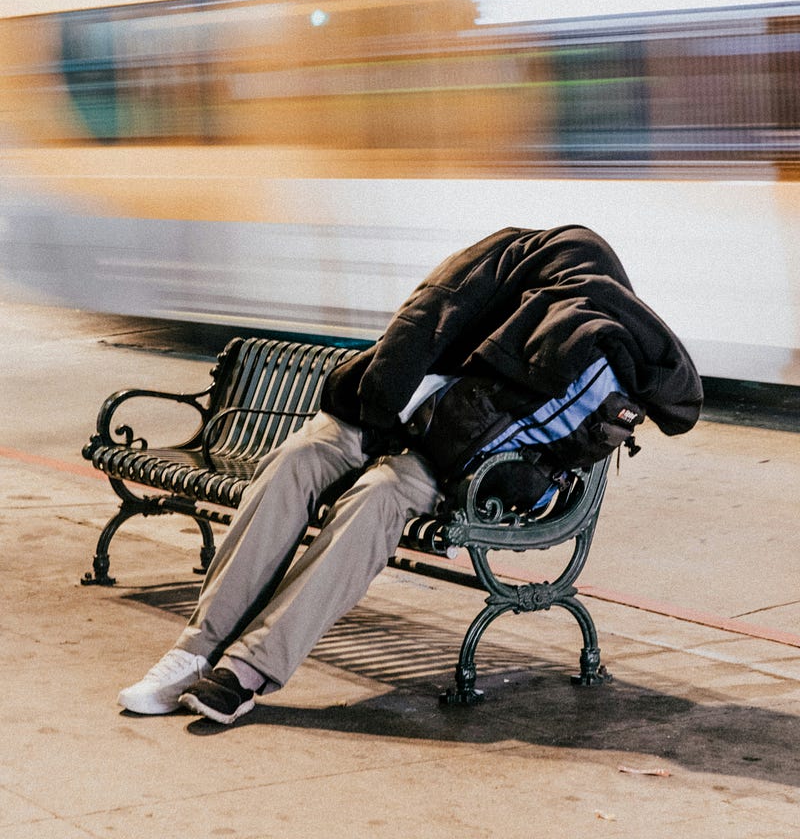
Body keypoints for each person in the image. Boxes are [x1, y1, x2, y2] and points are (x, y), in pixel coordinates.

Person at [118, 225, 702, 725]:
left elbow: (535, 448)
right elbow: (417, 327)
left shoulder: (581, 339)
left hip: (454, 465)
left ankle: (247, 671)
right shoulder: (494, 269)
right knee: (299, 459)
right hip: (385, 414)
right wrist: (379, 408)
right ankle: (196, 649)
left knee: (379, 494)